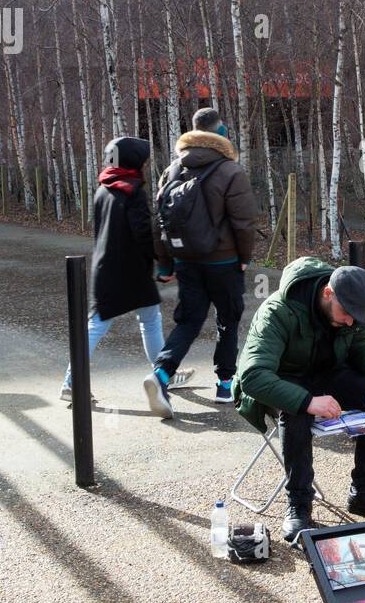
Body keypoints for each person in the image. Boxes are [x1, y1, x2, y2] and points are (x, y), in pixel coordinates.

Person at [234, 256, 365, 542]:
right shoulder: (277, 311)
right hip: (281, 382)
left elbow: (361, 345)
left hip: (326, 375)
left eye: (356, 316)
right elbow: (253, 376)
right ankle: (299, 503)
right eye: (346, 313)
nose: (351, 320)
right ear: (328, 293)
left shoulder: (353, 308)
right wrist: (309, 401)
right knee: (296, 411)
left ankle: (364, 491)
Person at [144, 107, 258, 417]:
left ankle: (161, 374)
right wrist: (245, 258)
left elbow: (160, 223)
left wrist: (165, 265)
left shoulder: (172, 171)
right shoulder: (231, 171)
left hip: (187, 261)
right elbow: (243, 222)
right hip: (224, 262)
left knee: (189, 321)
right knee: (228, 319)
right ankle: (224, 384)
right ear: (220, 133)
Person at [60, 136, 192, 402]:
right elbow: (144, 234)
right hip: (131, 272)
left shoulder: (103, 189)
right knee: (142, 323)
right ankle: (160, 373)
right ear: (133, 162)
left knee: (113, 322)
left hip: (106, 267)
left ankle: (162, 372)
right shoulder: (133, 191)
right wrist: (161, 262)